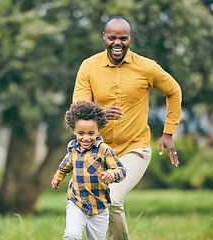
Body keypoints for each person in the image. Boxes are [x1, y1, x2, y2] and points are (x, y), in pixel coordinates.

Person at [72, 16, 182, 239]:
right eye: (112, 38)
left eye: (123, 38)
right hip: (98, 152)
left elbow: (174, 91)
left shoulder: (147, 67)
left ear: (130, 38)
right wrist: (100, 113)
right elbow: (78, 108)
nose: (117, 43)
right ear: (104, 37)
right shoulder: (89, 67)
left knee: (111, 196)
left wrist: (168, 132)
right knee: (89, 204)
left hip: (134, 149)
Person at [51, 100, 127, 240]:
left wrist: (111, 174)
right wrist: (57, 178)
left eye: (91, 133)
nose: (86, 138)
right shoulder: (72, 148)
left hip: (99, 208)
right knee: (71, 235)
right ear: (73, 130)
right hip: (76, 203)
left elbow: (121, 170)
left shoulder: (104, 150)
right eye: (81, 133)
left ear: (98, 130)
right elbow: (66, 165)